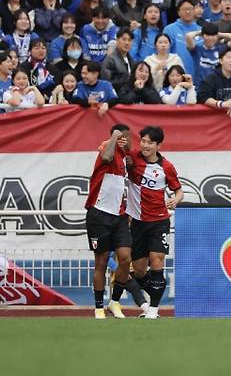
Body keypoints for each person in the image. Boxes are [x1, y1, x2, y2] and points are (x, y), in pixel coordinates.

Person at [84, 124, 143, 319]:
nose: (125, 139)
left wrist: (129, 156)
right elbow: (108, 157)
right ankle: (99, 307)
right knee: (101, 262)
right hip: (99, 214)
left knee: (125, 258)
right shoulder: (106, 148)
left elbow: (132, 164)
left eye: (127, 137)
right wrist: (114, 136)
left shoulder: (127, 158)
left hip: (119, 216)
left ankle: (114, 302)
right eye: (122, 136)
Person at [126, 126, 183, 319]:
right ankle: (156, 295)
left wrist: (176, 199)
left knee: (157, 261)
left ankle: (153, 310)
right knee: (140, 270)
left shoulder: (166, 167)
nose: (145, 145)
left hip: (159, 221)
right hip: (137, 223)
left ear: (158, 145)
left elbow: (179, 190)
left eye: (150, 142)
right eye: (143, 141)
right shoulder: (133, 156)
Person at [198, 46, 231, 116]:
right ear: (221, 61)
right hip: (215, 117)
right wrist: (221, 104)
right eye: (229, 58)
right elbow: (202, 97)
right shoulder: (211, 77)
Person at [163, 0, 201, 75]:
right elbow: (164, 54)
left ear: (194, 11)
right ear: (178, 12)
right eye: (184, 9)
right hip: (176, 77)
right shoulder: (169, 29)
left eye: (190, 9)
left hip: (198, 76)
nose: (187, 11)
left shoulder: (201, 31)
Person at [101, 27, 135, 94]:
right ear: (117, 40)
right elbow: (106, 83)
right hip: (116, 95)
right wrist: (125, 79)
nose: (127, 43)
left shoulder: (131, 60)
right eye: (124, 39)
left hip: (129, 94)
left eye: (129, 40)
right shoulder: (110, 60)